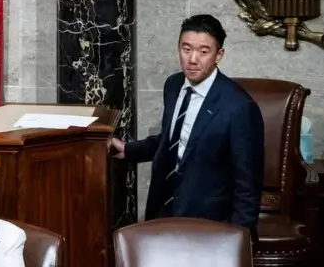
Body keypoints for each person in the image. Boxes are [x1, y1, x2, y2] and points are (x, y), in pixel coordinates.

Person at [109, 14, 264, 234]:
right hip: (162, 209)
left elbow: (247, 186)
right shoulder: (173, 86)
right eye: (186, 48)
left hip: (209, 222)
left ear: (219, 55)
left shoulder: (240, 107)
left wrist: (237, 243)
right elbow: (173, 139)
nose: (192, 59)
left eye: (203, 51)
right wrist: (130, 149)